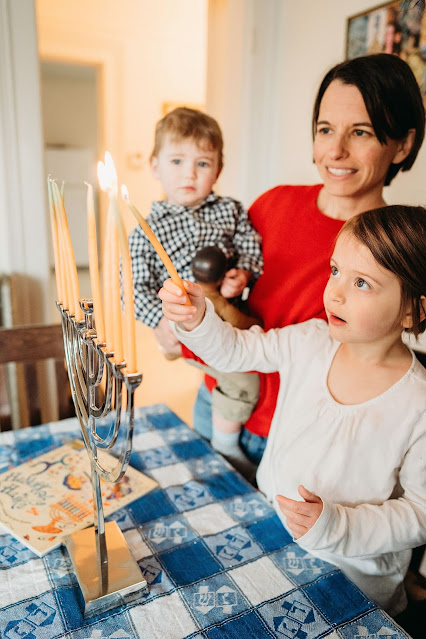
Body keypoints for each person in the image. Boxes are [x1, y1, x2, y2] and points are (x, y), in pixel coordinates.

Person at [159, 204, 426, 618]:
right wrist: (197, 319)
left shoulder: (418, 403)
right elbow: (236, 350)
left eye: (361, 283)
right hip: (268, 534)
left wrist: (339, 526)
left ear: (414, 310)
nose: (334, 292)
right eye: (336, 270)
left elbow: (419, 513)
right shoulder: (311, 340)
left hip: (351, 580)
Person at [188, 53, 426, 467]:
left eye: (361, 132)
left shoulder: (395, 251)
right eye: (325, 129)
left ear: (402, 144)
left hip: (293, 438)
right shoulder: (273, 203)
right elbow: (228, 300)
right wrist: (186, 332)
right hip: (218, 400)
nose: (335, 150)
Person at [129, 107, 263, 468]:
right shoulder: (147, 228)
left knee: (258, 345)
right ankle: (226, 444)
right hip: (186, 317)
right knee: (244, 376)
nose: (189, 173)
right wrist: (161, 320)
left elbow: (251, 246)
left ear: (218, 169)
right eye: (177, 161)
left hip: (229, 308)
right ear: (155, 165)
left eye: (203, 164)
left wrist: (243, 273)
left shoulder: (231, 211)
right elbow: (133, 288)